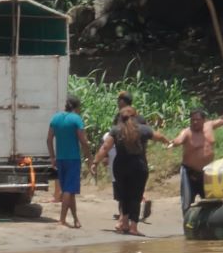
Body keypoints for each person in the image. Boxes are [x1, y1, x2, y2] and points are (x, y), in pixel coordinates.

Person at [91, 105, 170, 236]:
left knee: (124, 196)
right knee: (136, 196)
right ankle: (133, 227)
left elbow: (105, 147)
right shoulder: (142, 129)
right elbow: (159, 136)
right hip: (138, 167)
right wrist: (167, 142)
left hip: (120, 167)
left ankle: (125, 223)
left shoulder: (116, 130)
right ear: (135, 117)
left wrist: (95, 162)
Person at [168, 100, 223, 216]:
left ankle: (207, 228)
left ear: (204, 120)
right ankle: (188, 226)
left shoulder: (210, 126)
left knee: (212, 201)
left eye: (198, 120)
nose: (195, 122)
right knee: (187, 203)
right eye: (192, 120)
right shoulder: (187, 132)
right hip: (189, 172)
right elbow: (179, 140)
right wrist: (173, 143)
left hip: (207, 172)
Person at [102, 91, 152, 221]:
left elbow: (113, 137)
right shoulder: (135, 117)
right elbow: (147, 135)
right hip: (134, 157)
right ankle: (128, 212)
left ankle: (123, 217)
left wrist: (104, 155)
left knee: (123, 187)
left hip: (125, 157)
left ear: (123, 102)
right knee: (132, 186)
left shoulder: (123, 118)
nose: (118, 102)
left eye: (119, 100)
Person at [46, 94, 90, 228]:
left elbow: (49, 139)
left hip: (60, 158)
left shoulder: (56, 118)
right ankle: (62, 219)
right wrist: (90, 156)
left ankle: (75, 218)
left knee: (68, 191)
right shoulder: (76, 119)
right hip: (73, 159)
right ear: (77, 107)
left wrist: (52, 157)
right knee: (68, 190)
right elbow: (83, 141)